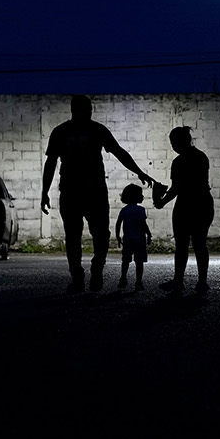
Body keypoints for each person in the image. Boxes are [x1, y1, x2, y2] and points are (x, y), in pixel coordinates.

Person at [42, 95, 153, 293]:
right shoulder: (92, 130)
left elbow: (51, 164)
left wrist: (45, 192)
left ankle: (84, 276)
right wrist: (139, 172)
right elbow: (119, 152)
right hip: (89, 192)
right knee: (92, 235)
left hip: (75, 191)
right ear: (85, 109)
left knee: (80, 236)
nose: (90, 112)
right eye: (89, 108)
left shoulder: (64, 131)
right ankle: (89, 274)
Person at [152, 126, 213, 295]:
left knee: (182, 245)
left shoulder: (179, 162)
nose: (172, 146)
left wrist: (162, 201)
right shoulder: (201, 157)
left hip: (186, 205)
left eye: (173, 142)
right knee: (200, 243)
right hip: (203, 202)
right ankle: (202, 282)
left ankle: (179, 281)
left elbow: (177, 188)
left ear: (180, 141)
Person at [115, 184, 150, 290]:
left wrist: (118, 236)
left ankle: (123, 279)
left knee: (125, 261)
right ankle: (138, 282)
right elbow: (143, 224)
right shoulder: (141, 210)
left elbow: (118, 223)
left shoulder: (124, 210)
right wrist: (149, 234)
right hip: (139, 240)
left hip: (128, 239)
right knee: (139, 262)